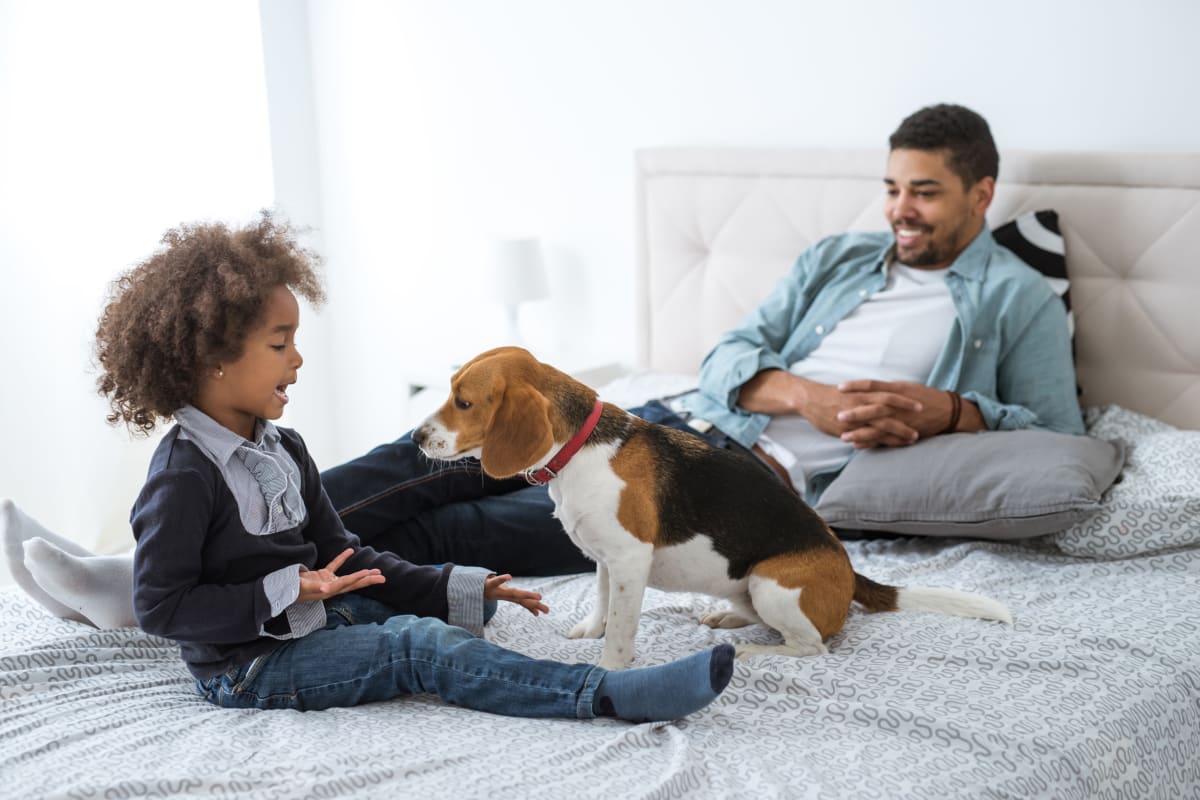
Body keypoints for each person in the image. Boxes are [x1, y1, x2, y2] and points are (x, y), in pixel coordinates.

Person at [4, 102, 1081, 628]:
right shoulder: (839, 258)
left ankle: (191, 588)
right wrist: (796, 388)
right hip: (668, 428)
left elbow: (1057, 431)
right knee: (419, 456)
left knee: (447, 523)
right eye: (893, 186)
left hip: (756, 490)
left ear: (982, 195)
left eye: (925, 193)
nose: (899, 210)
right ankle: (198, 569)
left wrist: (949, 411)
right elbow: (726, 354)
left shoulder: (1016, 295)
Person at [2, 214, 735, 721]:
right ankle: (605, 695)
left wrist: (461, 586)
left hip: (307, 620)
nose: (298, 358)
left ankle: (466, 615)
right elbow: (164, 610)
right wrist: (290, 585)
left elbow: (344, 554)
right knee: (421, 647)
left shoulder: (282, 448)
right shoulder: (182, 479)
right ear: (212, 358)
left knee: (440, 614)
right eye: (279, 342)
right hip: (246, 666)